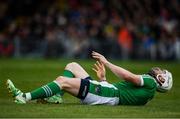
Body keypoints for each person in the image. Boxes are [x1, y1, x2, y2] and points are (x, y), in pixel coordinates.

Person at [7, 51, 173, 105]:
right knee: (72, 66)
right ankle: (56, 96)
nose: (160, 70)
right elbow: (122, 94)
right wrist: (103, 79)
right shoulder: (148, 92)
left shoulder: (150, 82)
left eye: (163, 72)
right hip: (108, 92)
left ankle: (23, 96)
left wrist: (106, 62)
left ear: (161, 80)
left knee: (62, 81)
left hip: (108, 94)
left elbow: (129, 77)